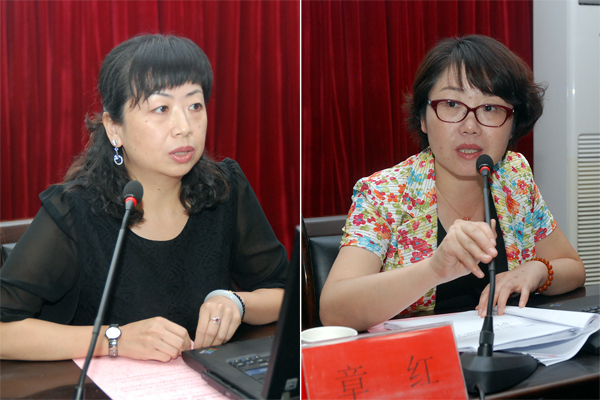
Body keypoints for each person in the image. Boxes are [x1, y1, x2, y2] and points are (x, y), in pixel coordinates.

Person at [0, 34, 289, 361]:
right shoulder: (74, 210)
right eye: (161, 108)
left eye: (195, 106)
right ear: (114, 128)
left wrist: (236, 302)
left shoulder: (224, 189)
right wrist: (115, 339)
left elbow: (284, 291)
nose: (184, 127)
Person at [320, 35, 586, 332]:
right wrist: (433, 270)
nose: (470, 127)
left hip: (509, 352)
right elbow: (334, 309)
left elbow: (573, 267)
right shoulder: (385, 193)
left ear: (513, 125)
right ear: (423, 118)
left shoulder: (514, 176)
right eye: (451, 104)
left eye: (490, 108)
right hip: (420, 357)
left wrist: (535, 272)